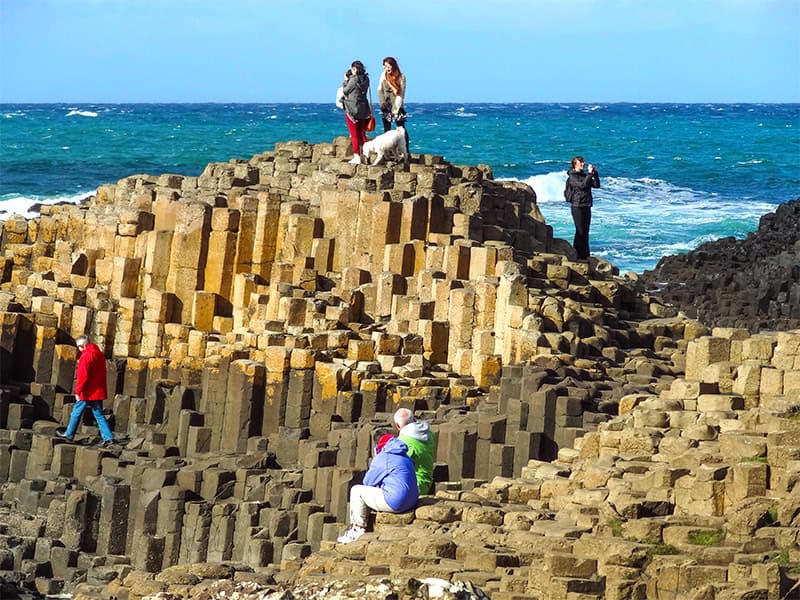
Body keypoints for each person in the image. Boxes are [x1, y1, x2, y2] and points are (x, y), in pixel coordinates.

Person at [337, 431, 419, 544]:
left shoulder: (384, 457)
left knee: (356, 491)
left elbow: (367, 482)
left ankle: (357, 529)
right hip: (412, 502)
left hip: (397, 502)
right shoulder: (404, 455)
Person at [56, 335, 115, 447]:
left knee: (76, 412)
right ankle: (108, 438)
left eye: (78, 347)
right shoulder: (100, 354)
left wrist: (78, 391)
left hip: (87, 391)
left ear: (82, 346)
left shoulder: (86, 356)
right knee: (98, 414)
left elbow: (83, 376)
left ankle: (69, 435)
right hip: (97, 390)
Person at [564, 156, 601, 260]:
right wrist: (589, 174)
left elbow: (596, 185)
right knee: (580, 230)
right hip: (577, 206)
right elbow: (582, 186)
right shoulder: (572, 176)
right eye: (580, 162)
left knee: (586, 231)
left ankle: (585, 254)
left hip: (586, 205)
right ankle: (577, 253)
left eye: (583, 162)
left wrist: (595, 174)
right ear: (575, 164)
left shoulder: (585, 175)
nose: (583, 164)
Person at [393, 407, 435, 495]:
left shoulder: (402, 442)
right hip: (427, 480)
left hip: (415, 487)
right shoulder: (429, 433)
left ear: (397, 425)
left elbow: (395, 466)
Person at [341, 60, 372, 165]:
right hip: (363, 109)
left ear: (354, 69)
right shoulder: (366, 79)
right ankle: (365, 154)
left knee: (354, 134)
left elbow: (345, 90)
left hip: (352, 109)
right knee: (362, 133)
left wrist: (345, 80)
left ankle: (357, 156)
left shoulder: (353, 80)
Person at [377, 57, 409, 148]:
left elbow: (401, 95)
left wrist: (396, 109)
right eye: (385, 66)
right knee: (387, 129)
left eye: (388, 66)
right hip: (386, 106)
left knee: (401, 128)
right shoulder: (384, 75)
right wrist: (382, 103)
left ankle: (406, 151)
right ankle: (388, 151)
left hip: (397, 106)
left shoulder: (401, 77)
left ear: (393, 65)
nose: (386, 68)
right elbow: (379, 90)